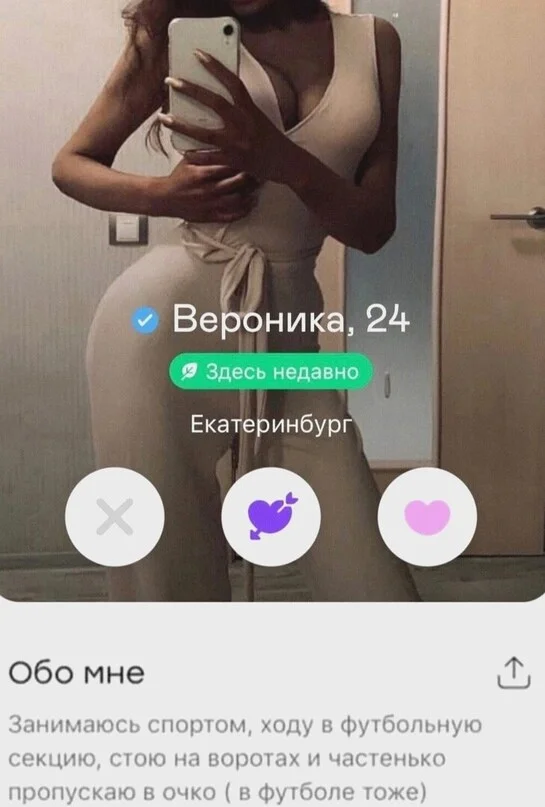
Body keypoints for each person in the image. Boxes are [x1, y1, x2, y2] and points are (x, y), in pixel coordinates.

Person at [52, 0, 419, 602]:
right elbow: (71, 164)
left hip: (287, 342)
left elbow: (374, 228)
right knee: (167, 582)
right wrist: (165, 196)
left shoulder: (374, 44)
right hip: (159, 336)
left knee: (375, 588)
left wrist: (285, 161)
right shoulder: (176, 32)